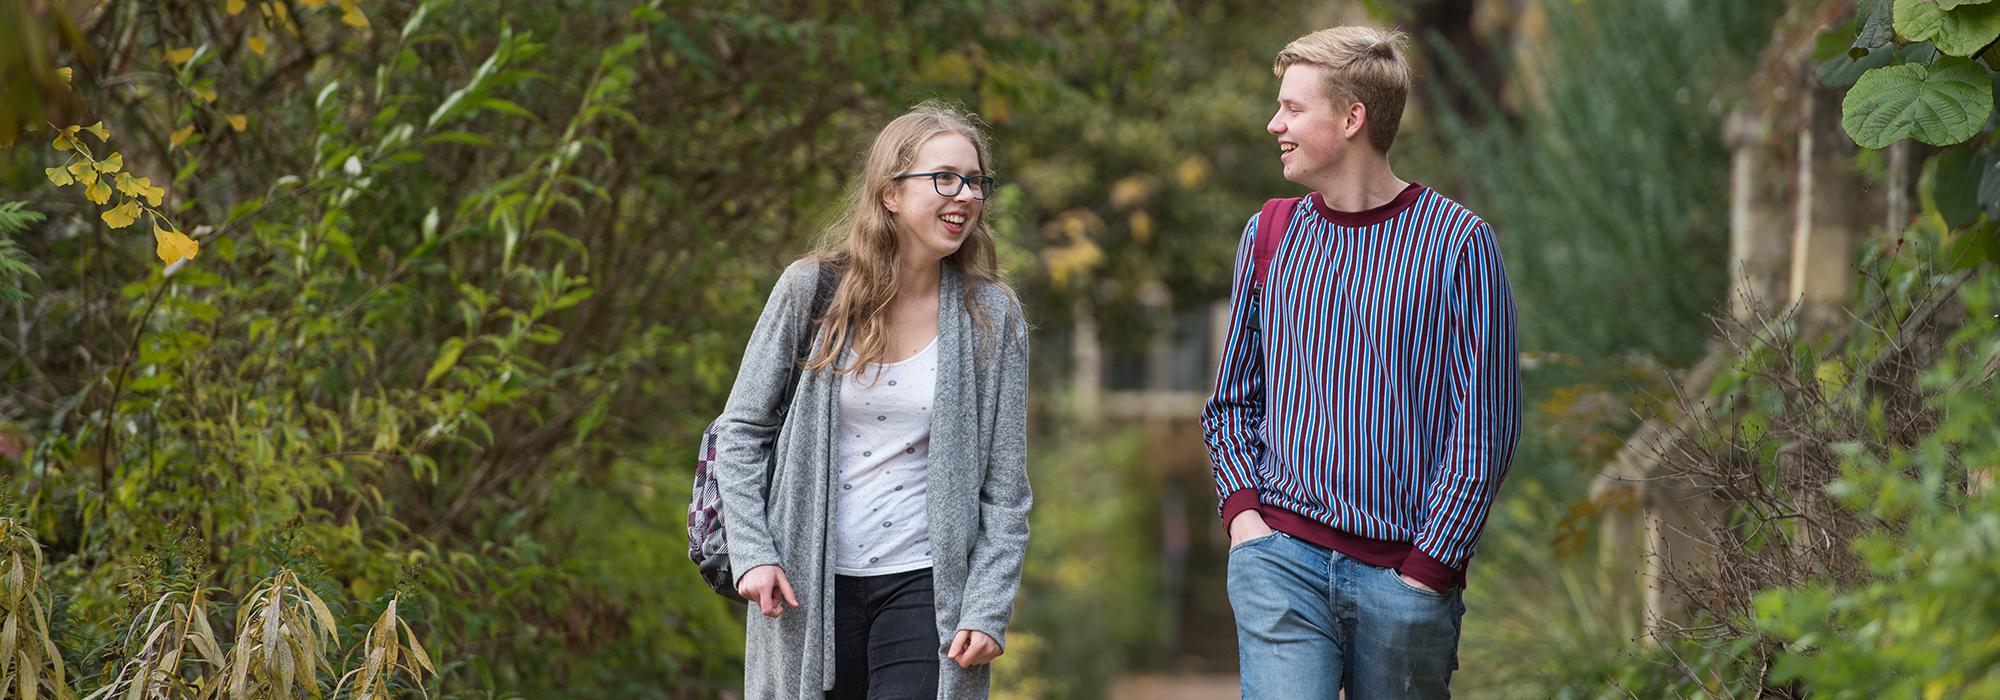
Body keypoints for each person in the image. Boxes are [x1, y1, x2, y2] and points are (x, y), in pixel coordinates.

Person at [1200, 26, 1521, 699]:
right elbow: (1232, 401)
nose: (1273, 124)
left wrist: (1428, 570)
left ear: (1352, 119)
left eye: (1292, 109)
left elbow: (1483, 427)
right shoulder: (1269, 234)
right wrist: (1246, 524)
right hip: (1280, 559)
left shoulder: (1459, 244)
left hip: (1402, 581)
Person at [712, 101, 1032, 700]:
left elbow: (1006, 489)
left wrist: (987, 606)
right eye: (945, 179)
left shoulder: (992, 316)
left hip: (926, 586)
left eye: (976, 182)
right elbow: (742, 431)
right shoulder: (811, 291)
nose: (964, 195)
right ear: (890, 192)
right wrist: (752, 554)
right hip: (807, 583)